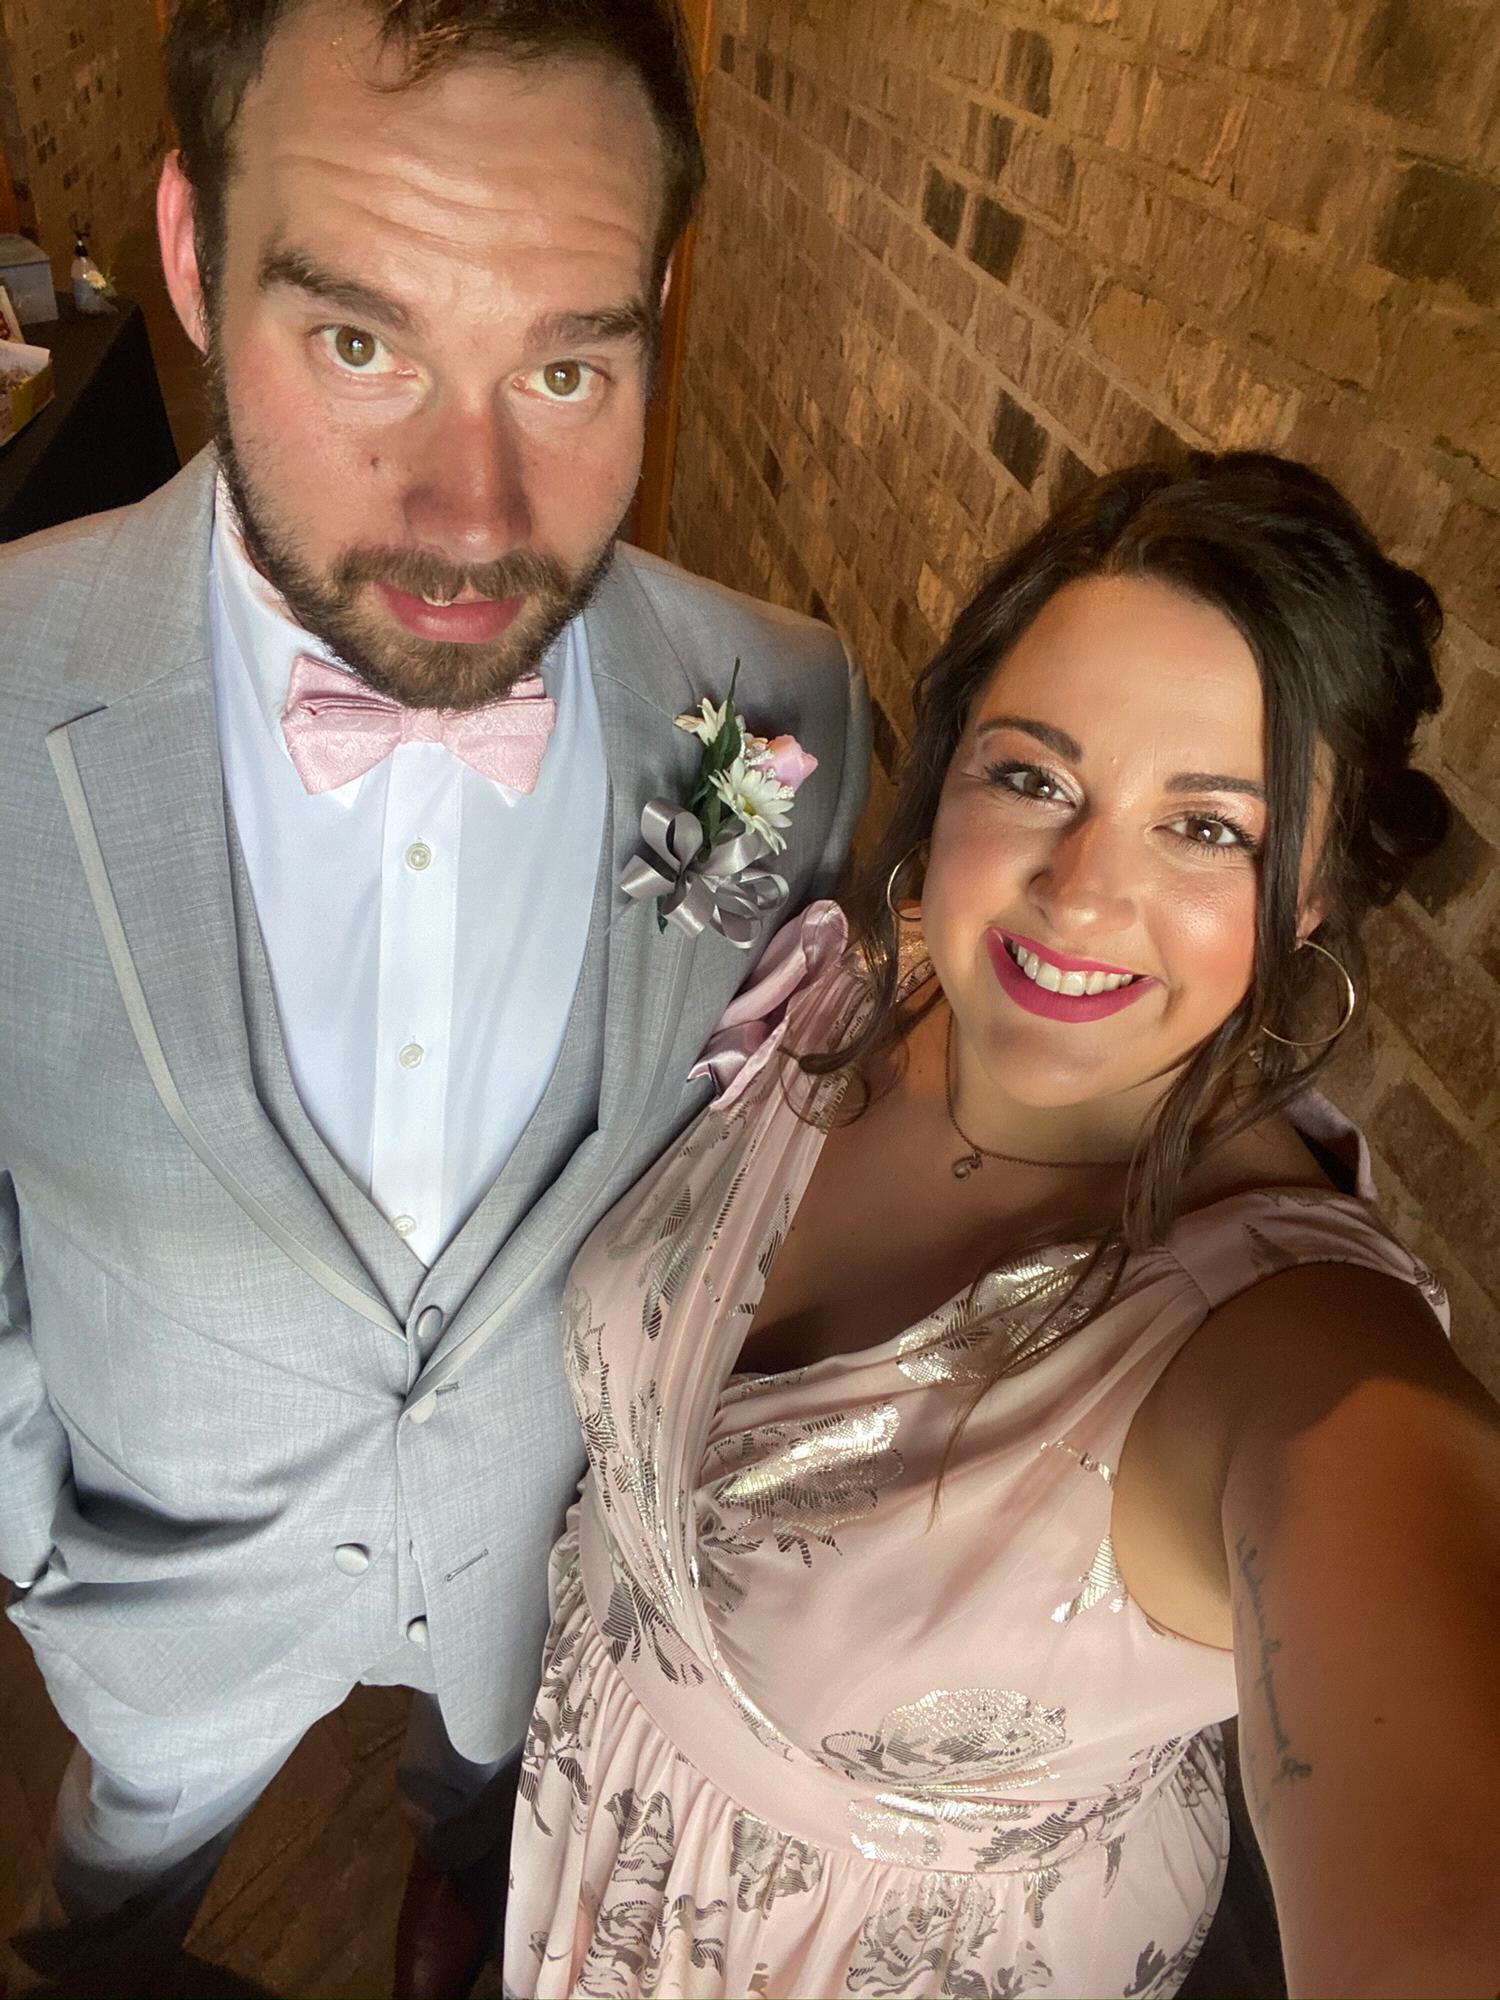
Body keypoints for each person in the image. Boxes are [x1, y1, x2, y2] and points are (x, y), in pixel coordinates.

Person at [0, 2, 867, 1993]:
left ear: (657, 308)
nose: (473, 516)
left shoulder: (778, 707)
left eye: (566, 365)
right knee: (109, 1908)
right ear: (196, 253)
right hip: (161, 1610)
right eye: (361, 343)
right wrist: (37, 1536)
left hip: (532, 1588)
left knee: (485, 1826)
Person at [505, 452, 1500, 1999]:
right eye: (1033, 779)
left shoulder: (1298, 1357)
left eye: (1209, 829)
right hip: (586, 1821)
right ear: (952, 769)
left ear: (1311, 899)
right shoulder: (861, 979)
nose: (1081, 894)